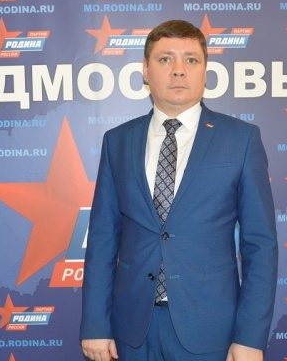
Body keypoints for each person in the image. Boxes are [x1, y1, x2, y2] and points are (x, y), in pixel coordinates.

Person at [80, 20, 277, 361]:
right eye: (165, 59)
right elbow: (102, 240)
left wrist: (250, 337)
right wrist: (96, 324)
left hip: (210, 328)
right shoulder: (118, 142)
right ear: (145, 70)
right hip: (132, 329)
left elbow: (260, 245)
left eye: (191, 60)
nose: (178, 70)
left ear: (205, 71)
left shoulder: (241, 140)